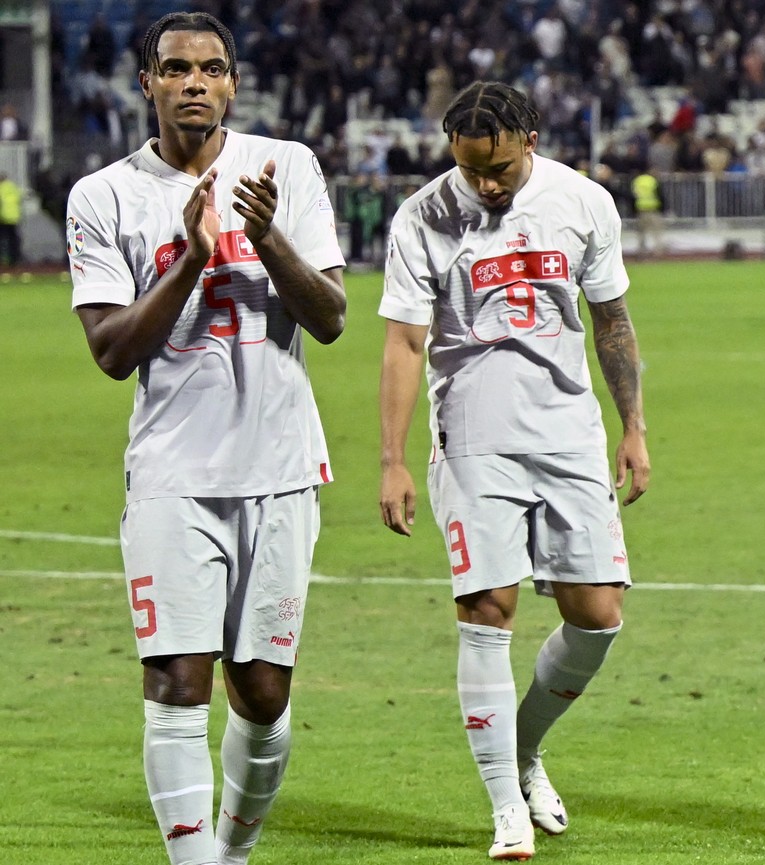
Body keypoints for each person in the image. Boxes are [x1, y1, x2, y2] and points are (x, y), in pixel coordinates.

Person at [66, 12, 346, 865]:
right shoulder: (104, 194)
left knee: (261, 695)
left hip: (280, 467)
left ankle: (229, 851)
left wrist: (265, 239)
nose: (196, 82)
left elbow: (330, 317)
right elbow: (112, 352)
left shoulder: (286, 167)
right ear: (146, 82)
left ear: (233, 83)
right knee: (176, 684)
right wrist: (189, 258)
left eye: (213, 69)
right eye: (177, 68)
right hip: (172, 472)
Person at [377, 81, 649, 861]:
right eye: (469, 170)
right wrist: (393, 459)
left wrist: (633, 427)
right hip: (472, 434)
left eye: (496, 168)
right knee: (487, 607)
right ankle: (506, 808)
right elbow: (402, 343)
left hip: (568, 433)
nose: (484, 185)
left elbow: (612, 321)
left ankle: (523, 748)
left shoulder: (584, 202)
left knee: (597, 617)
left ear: (530, 138)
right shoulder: (423, 216)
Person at [0, 171, 19, 266]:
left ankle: (4, 259)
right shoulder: (12, 187)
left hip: (3, 218)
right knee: (13, 240)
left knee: (3, 240)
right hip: (14, 217)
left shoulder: (1, 188)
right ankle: (15, 259)